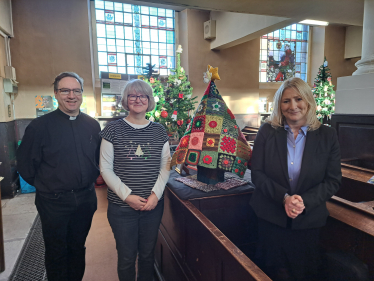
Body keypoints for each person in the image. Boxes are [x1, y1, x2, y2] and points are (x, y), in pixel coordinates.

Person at [250, 77, 342, 281]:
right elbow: (257, 173)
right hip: (270, 218)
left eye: (298, 99)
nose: (293, 106)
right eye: (286, 101)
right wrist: (284, 198)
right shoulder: (267, 131)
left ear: (308, 101)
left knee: (303, 273)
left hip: (307, 222)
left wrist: (303, 202)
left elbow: (333, 180)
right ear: (279, 105)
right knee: (271, 272)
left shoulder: (327, 135)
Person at [17, 72, 101, 281]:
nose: (71, 95)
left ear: (81, 93)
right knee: (56, 251)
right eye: (65, 90)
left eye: (76, 90)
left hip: (85, 199)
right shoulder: (39, 127)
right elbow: (25, 165)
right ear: (56, 93)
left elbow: (97, 158)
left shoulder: (92, 125)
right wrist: (46, 186)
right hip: (53, 202)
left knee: (77, 247)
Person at [100, 79, 171, 281]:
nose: (138, 99)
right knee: (126, 257)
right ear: (125, 100)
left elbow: (165, 166)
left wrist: (156, 195)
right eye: (132, 95)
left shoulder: (159, 131)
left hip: (152, 206)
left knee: (148, 255)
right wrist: (127, 196)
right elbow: (105, 169)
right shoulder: (112, 130)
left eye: (143, 96)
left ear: (149, 101)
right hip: (121, 208)